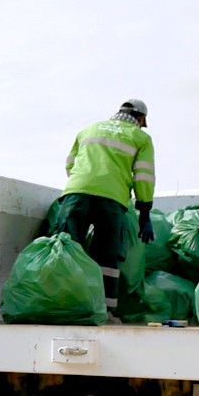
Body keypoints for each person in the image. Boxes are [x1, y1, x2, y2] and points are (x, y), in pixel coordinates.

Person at [51, 98, 156, 306]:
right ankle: (105, 309)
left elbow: (70, 164)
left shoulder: (89, 129)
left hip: (76, 193)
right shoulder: (140, 137)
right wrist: (144, 212)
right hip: (111, 199)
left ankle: (64, 303)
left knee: (68, 248)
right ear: (141, 118)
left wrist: (83, 184)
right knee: (107, 255)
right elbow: (143, 176)